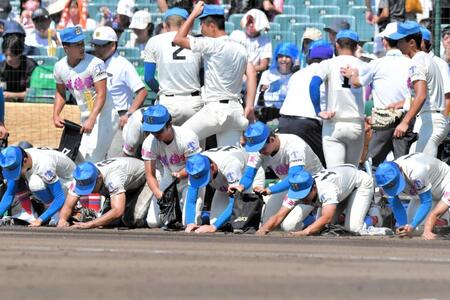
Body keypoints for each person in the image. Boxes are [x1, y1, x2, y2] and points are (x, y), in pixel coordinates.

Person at [173, 2, 257, 147]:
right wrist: (249, 105)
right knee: (230, 160)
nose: (201, 28)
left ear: (211, 26)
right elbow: (252, 73)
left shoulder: (212, 44)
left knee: (180, 139)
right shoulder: (240, 47)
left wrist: (193, 14)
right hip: (236, 111)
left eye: (202, 24)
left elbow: (178, 39)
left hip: (216, 111)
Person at [230, 121, 324, 225]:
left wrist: (269, 190)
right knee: (267, 222)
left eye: (262, 148)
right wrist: (241, 186)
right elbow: (249, 174)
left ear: (272, 139)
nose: (260, 152)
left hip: (311, 186)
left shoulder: (294, 144)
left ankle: (314, 218)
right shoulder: (258, 149)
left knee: (289, 226)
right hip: (288, 183)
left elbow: (294, 177)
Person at [53, 26, 119, 163]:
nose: (82, 47)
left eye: (82, 43)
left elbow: (102, 94)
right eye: (77, 45)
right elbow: (60, 93)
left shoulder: (96, 64)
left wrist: (92, 118)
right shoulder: (59, 67)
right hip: (86, 118)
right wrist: (56, 114)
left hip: (105, 117)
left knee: (92, 160)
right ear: (66, 48)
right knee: (78, 158)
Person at [357, 22, 416, 168]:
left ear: (384, 41)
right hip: (406, 118)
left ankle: (371, 189)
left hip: (383, 118)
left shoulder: (377, 64)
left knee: (372, 163)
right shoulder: (412, 63)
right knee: (403, 164)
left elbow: (358, 82)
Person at [387, 21, 448, 158]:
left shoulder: (417, 61)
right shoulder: (427, 58)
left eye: (400, 41)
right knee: (415, 159)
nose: (397, 45)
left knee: (421, 171)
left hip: (431, 121)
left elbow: (421, 95)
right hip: (432, 120)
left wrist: (405, 122)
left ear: (412, 42)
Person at [310, 29, 370, 168]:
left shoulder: (328, 64)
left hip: (333, 123)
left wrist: (318, 110)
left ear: (336, 45)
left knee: (335, 174)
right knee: (351, 173)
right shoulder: (364, 66)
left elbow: (313, 84)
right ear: (356, 46)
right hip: (356, 123)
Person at [140, 104, 202, 227]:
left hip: (191, 178)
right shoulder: (149, 143)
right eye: (151, 131)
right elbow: (149, 175)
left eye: (158, 130)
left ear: (169, 125)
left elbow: (195, 168)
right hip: (169, 177)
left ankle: (205, 214)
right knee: (153, 222)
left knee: (188, 223)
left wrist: (180, 174)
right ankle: (180, 206)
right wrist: (159, 194)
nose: (155, 134)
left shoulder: (187, 136)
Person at [90, 26, 147, 157]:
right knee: (95, 158)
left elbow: (142, 92)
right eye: (95, 45)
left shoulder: (122, 64)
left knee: (114, 159)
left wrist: (129, 114)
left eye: (101, 45)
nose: (97, 49)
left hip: (119, 117)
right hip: (100, 117)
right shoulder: (94, 64)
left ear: (112, 45)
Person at [278, 40, 334, 168]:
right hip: (308, 124)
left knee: (295, 166)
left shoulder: (296, 74)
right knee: (325, 166)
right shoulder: (328, 74)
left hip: (285, 122)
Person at [144, 7, 203, 126]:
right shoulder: (197, 42)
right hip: (194, 102)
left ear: (165, 25)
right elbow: (203, 77)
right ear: (186, 24)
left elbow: (148, 78)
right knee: (194, 143)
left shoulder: (154, 41)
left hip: (168, 102)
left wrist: (161, 92)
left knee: (166, 143)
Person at [184, 147, 264, 233]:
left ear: (212, 167)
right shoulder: (195, 166)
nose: (201, 181)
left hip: (248, 179)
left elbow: (235, 201)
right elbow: (191, 199)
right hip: (223, 185)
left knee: (244, 226)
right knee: (215, 222)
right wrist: (190, 223)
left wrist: (214, 227)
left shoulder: (231, 165)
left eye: (204, 178)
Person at [57, 157, 151, 229]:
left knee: (131, 220)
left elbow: (118, 210)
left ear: (99, 179)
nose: (88, 192)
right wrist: (62, 220)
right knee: (106, 223)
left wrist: (90, 224)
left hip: (147, 180)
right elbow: (68, 205)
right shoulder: (81, 177)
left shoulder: (113, 178)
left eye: (90, 188)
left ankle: (150, 210)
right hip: (125, 186)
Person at [282, 166, 373, 236]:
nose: (302, 199)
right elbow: (278, 215)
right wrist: (266, 227)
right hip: (342, 190)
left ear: (313, 188)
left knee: (354, 229)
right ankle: (345, 218)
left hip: (359, 185)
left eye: (304, 195)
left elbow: (327, 217)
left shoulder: (326, 189)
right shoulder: (303, 185)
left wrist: (305, 232)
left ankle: (373, 219)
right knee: (322, 229)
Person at [375, 153, 450, 238]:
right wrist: (404, 226)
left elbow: (426, 202)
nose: (394, 189)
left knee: (422, 226)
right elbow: (396, 205)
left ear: (400, 169)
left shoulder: (416, 171)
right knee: (413, 230)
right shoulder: (384, 180)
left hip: (444, 183)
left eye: (396, 184)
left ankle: (444, 223)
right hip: (423, 191)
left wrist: (413, 226)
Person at [0, 146, 76, 227]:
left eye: (15, 170)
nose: (13, 173)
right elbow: (9, 194)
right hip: (52, 178)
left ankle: (56, 214)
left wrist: (40, 219)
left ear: (25, 161)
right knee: (18, 179)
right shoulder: (19, 157)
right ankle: (32, 213)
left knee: (35, 183)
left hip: (69, 182)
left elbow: (60, 197)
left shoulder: (45, 166)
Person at [255, 42, 298, 111]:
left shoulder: (296, 76)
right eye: (280, 56)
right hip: (268, 112)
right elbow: (257, 98)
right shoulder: (267, 74)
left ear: (293, 58)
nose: (284, 59)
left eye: (287, 57)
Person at [420, 26, 450, 122]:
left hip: (435, 117)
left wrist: (444, 122)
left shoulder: (440, 64)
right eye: (446, 38)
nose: (449, 41)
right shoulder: (414, 62)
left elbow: (447, 96)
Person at [0, 33, 37, 101]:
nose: (9, 59)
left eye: (12, 55)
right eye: (6, 55)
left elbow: (33, 94)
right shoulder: (2, 67)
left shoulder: (30, 66)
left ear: (19, 53)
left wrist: (11, 95)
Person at [240, 9, 271, 74]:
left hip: (255, 74)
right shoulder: (238, 36)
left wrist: (247, 71)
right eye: (249, 22)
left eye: (253, 23)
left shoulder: (265, 41)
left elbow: (263, 66)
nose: (251, 25)